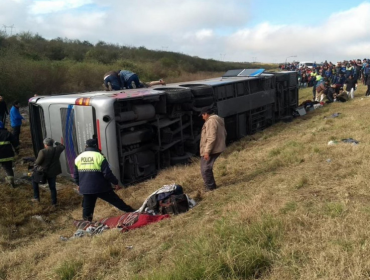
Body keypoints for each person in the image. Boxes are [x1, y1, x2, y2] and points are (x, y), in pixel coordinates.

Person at [74, 139, 135, 221]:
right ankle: (131, 211)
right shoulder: (100, 156)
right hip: (101, 187)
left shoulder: (78, 158)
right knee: (116, 201)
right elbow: (107, 174)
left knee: (87, 207)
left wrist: (79, 185)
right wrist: (115, 183)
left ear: (86, 146)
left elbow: (76, 175)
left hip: (86, 188)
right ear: (96, 146)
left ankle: (87, 223)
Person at [199, 107, 227, 192]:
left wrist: (207, 151)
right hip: (216, 147)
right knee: (206, 167)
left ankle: (210, 187)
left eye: (202, 115)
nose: (202, 117)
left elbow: (211, 137)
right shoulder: (217, 119)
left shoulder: (211, 121)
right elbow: (225, 133)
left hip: (212, 149)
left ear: (206, 114)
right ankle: (210, 185)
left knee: (205, 168)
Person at [32, 138, 65, 206]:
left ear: (46, 144)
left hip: (44, 172)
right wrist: (55, 141)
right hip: (53, 172)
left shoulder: (43, 151)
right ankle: (54, 202)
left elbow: (37, 162)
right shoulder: (57, 149)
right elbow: (62, 146)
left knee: (34, 181)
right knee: (52, 187)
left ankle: (36, 198)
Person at [0, 121, 18, 187]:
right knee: (8, 168)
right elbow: (15, 143)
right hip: (7, 155)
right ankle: (11, 182)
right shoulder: (7, 133)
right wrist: (17, 151)